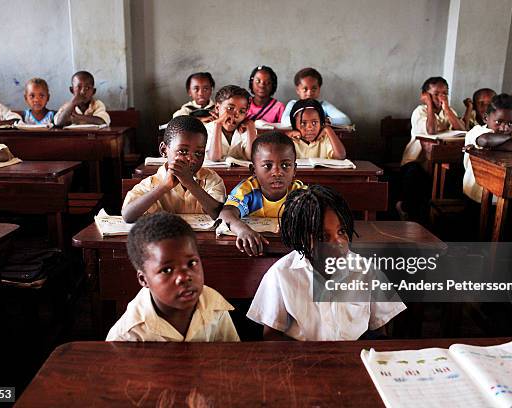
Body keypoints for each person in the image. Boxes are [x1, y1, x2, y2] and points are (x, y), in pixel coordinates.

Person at [247, 185, 406, 340]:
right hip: (302, 359)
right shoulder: (281, 275)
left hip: (353, 357)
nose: (337, 243)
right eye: (323, 237)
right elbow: (271, 336)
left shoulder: (366, 271)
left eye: (341, 231)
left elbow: (379, 330)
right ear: (301, 239)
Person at [106, 212, 240, 341]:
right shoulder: (127, 335)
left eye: (191, 263)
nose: (184, 277)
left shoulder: (214, 304)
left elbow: (233, 358)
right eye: (167, 270)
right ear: (143, 279)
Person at [122, 115, 225, 223]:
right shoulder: (153, 183)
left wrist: (189, 182)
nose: (191, 158)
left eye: (199, 153)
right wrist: (164, 187)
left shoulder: (211, 179)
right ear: (164, 150)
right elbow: (128, 216)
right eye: (183, 151)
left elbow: (219, 214)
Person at [218, 132, 304, 256]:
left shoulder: (298, 192)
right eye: (267, 166)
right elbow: (226, 214)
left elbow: (315, 213)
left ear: (294, 170)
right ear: (254, 170)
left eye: (285, 165)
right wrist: (242, 230)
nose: (277, 172)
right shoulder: (248, 190)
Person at [397, 76, 465, 222]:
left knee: (456, 175)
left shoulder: (448, 110)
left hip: (440, 161)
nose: (441, 97)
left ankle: (441, 216)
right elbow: (431, 131)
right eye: (435, 94)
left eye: (445, 93)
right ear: (425, 95)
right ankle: (404, 208)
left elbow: (462, 130)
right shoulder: (420, 111)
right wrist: (428, 103)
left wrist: (446, 108)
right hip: (415, 161)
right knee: (415, 175)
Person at [463, 94, 512, 204]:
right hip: (475, 193)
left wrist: (496, 144)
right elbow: (485, 140)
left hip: (503, 197)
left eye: (510, 123)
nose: (504, 128)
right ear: (486, 118)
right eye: (498, 122)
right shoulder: (476, 131)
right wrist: (511, 139)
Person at [280, 67, 351, 127]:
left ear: (319, 89)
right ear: (298, 90)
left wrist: (327, 121)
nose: (309, 93)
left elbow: (346, 120)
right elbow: (284, 121)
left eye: (314, 89)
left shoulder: (324, 106)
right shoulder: (293, 104)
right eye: (305, 89)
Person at [205, 85, 257, 161]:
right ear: (217, 108)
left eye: (242, 111)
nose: (236, 115)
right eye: (230, 108)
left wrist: (251, 127)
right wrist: (218, 125)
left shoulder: (247, 130)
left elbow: (252, 157)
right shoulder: (208, 129)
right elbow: (214, 158)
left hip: (240, 173)